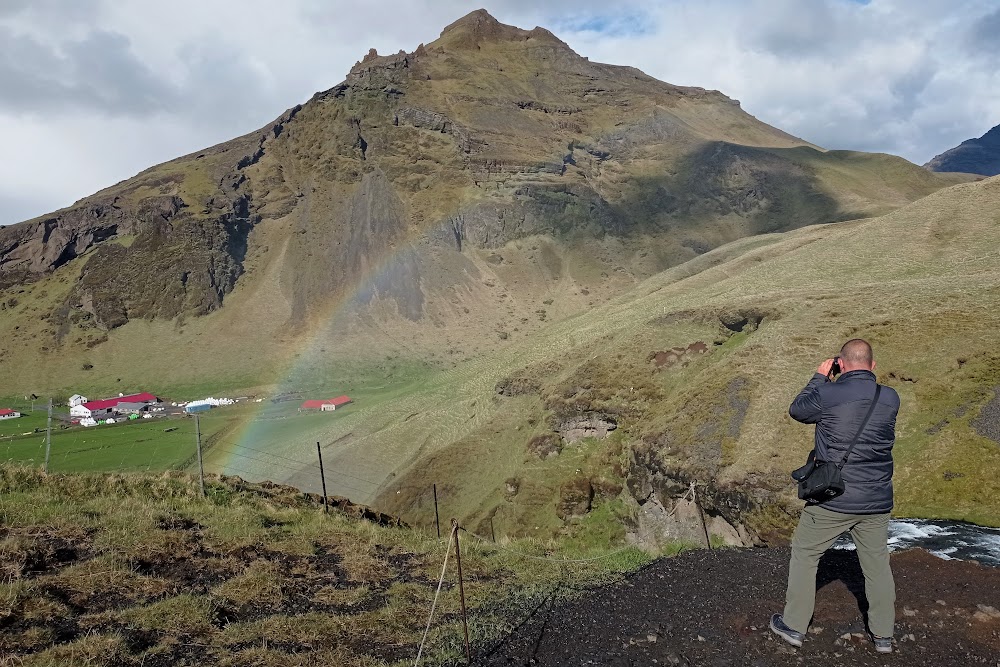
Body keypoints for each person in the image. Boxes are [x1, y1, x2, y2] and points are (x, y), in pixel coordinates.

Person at [770, 339, 900, 654]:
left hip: (834, 497)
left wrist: (819, 376)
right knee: (877, 564)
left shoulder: (827, 394)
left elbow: (798, 409)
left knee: (805, 554)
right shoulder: (890, 397)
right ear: (873, 365)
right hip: (877, 498)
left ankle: (794, 627)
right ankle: (883, 636)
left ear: (840, 363)